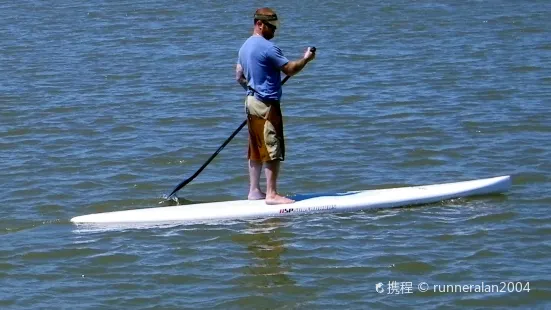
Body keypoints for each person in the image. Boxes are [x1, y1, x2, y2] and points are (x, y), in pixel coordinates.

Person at [236, 8, 316, 205]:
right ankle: (271, 194)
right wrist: (306, 59)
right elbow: (290, 69)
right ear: (259, 24)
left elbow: (239, 76)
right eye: (271, 27)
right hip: (267, 104)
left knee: (255, 146)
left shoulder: (244, 47)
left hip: (251, 102)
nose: (274, 31)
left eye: (275, 27)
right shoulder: (268, 48)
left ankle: (254, 191)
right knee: (272, 147)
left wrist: (254, 87)